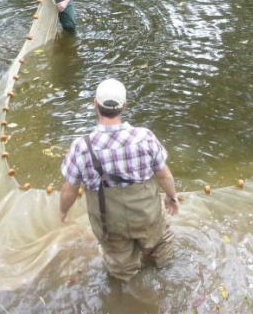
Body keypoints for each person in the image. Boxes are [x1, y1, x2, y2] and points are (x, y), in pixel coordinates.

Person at [59, 79, 179, 281]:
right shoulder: (145, 137)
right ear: (124, 106)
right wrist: (171, 196)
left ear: (95, 104)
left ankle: (126, 294)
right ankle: (166, 277)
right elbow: (164, 174)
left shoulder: (81, 146)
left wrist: (63, 210)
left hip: (110, 225)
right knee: (161, 245)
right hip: (147, 216)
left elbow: (69, 190)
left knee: (121, 268)